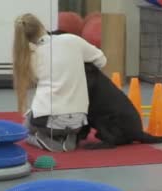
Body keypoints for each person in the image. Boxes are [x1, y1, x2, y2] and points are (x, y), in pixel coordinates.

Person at [12, 13, 107, 152]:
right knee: (62, 121)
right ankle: (69, 137)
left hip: (48, 122)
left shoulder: (31, 57)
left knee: (25, 129)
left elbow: (37, 80)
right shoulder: (73, 40)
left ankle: (43, 140)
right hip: (78, 123)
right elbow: (102, 60)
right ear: (42, 26)